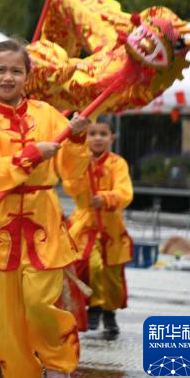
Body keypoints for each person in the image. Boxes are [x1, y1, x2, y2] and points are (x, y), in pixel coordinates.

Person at [0, 39, 89, 378]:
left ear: (28, 75)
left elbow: (70, 170)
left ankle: (56, 361)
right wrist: (31, 155)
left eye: (16, 71)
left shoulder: (48, 115)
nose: (8, 77)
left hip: (44, 223)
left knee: (39, 302)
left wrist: (77, 140)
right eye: (0, 70)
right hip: (0, 227)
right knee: (7, 319)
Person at [63, 117, 133, 338]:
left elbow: (125, 192)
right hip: (85, 223)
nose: (97, 138)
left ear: (112, 137)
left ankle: (109, 312)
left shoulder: (118, 163)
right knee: (90, 265)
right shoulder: (80, 161)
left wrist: (105, 198)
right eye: (92, 133)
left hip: (111, 226)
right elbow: (70, 184)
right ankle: (93, 306)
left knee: (112, 273)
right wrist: (81, 175)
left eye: (103, 134)